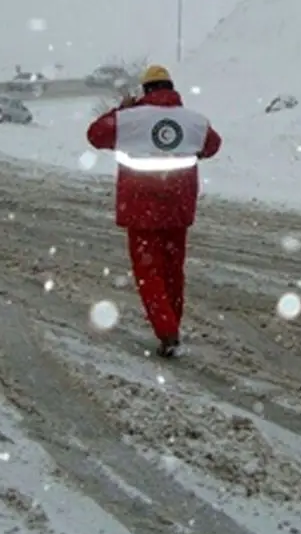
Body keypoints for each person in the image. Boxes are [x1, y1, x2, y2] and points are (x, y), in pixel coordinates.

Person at [86, 65, 222, 357]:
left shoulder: (130, 119)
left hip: (141, 208)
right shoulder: (194, 121)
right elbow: (213, 146)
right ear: (171, 89)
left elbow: (95, 135)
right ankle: (173, 324)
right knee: (174, 271)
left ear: (145, 91)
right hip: (178, 207)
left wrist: (120, 110)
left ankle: (166, 330)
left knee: (149, 273)